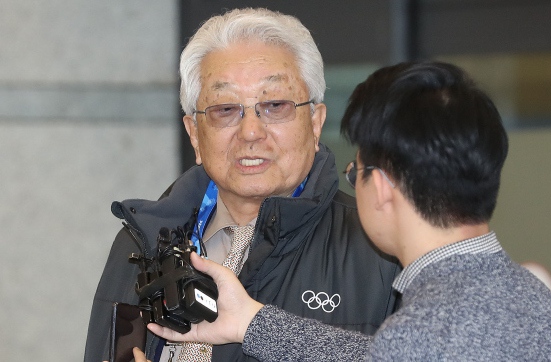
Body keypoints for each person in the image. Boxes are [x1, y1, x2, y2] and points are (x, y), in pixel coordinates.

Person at [142, 61, 551, 361]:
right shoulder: (531, 294)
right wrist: (254, 323)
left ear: (383, 187)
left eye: (358, 172)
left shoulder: (425, 332)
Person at [84, 7, 401, 362]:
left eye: (275, 105)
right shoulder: (141, 241)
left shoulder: (383, 247)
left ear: (315, 123)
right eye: (225, 110)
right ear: (194, 134)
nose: (251, 132)